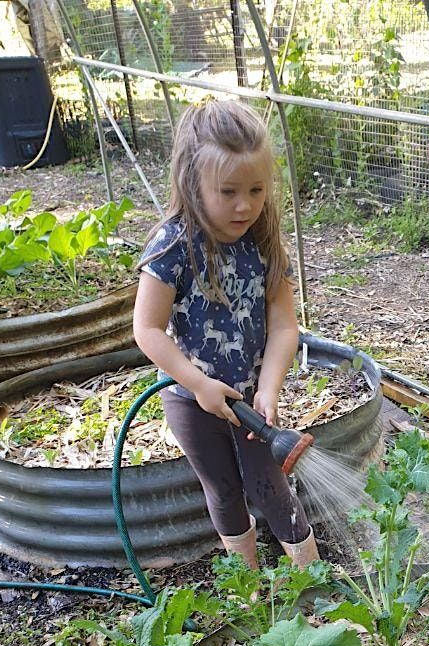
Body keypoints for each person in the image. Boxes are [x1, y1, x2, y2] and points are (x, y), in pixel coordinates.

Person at [133, 98, 318, 571]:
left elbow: (283, 326)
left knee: (269, 483)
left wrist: (269, 389)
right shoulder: (173, 245)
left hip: (251, 399)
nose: (246, 205)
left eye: (257, 190)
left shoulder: (263, 242)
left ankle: (310, 576)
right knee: (221, 488)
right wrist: (197, 384)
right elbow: (148, 330)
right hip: (189, 398)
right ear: (193, 184)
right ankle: (247, 583)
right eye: (229, 191)